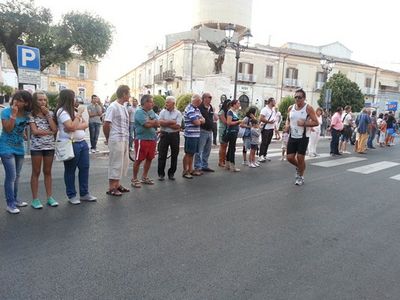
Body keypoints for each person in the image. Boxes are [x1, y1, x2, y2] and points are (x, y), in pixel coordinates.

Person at [55, 89, 97, 204]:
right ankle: (72, 195)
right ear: (69, 98)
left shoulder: (73, 111)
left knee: (84, 168)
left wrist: (73, 126)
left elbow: (85, 124)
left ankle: (84, 193)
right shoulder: (62, 112)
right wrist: (78, 117)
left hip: (82, 142)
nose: (76, 100)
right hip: (70, 143)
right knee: (70, 170)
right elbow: (72, 126)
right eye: (74, 97)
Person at [0, 90, 32, 214]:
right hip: (6, 146)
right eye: (15, 99)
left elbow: (22, 128)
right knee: (11, 176)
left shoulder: (26, 114)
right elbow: (8, 129)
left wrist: (24, 135)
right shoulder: (6, 112)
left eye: (20, 101)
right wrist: (13, 115)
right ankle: (10, 204)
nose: (16, 102)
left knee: (17, 175)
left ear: (26, 103)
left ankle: (15, 199)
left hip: (19, 147)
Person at [28, 91, 58, 209]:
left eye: (44, 100)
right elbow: (35, 131)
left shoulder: (50, 113)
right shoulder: (31, 115)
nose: (43, 102)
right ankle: (35, 199)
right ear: (35, 101)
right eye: (40, 100)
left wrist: (48, 115)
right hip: (36, 147)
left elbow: (55, 128)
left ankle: (49, 197)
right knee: (36, 172)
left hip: (49, 146)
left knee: (48, 171)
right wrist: (50, 132)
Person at [285, 88, 318, 186]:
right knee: (290, 158)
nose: (297, 99)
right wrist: (287, 125)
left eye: (299, 97)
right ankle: (300, 167)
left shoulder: (308, 108)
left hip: (303, 136)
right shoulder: (291, 107)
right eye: (295, 97)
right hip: (292, 136)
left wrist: (305, 123)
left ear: (304, 98)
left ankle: (300, 176)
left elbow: (316, 122)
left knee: (300, 157)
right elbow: (288, 119)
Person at [103, 85, 131, 196]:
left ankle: (117, 185)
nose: (129, 96)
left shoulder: (123, 107)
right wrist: (108, 138)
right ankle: (111, 187)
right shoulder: (112, 107)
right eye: (128, 93)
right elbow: (106, 124)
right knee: (115, 163)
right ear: (124, 94)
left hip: (124, 138)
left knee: (123, 163)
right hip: (116, 139)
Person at [131, 94, 159, 188]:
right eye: (151, 101)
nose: (153, 103)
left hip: (152, 138)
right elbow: (146, 124)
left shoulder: (151, 111)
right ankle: (134, 179)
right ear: (145, 102)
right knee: (138, 160)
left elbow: (158, 122)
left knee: (150, 158)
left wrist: (151, 121)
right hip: (141, 139)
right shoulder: (139, 112)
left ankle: (144, 177)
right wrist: (153, 122)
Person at [157, 96, 182, 181]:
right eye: (166, 102)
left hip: (174, 135)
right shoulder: (162, 112)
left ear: (173, 104)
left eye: (168, 102)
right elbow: (160, 123)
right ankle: (161, 174)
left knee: (174, 155)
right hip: (164, 135)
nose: (166, 104)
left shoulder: (178, 113)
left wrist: (165, 123)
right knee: (162, 155)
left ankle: (171, 173)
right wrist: (172, 122)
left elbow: (178, 126)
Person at [182, 94, 205, 179]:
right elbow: (197, 122)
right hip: (190, 134)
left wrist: (200, 120)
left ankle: (190, 170)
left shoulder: (197, 109)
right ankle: (185, 171)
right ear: (198, 101)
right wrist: (200, 120)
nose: (200, 103)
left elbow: (203, 119)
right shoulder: (190, 109)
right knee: (188, 153)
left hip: (196, 134)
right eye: (200, 101)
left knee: (192, 153)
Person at [194, 92, 215, 173]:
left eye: (210, 97)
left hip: (210, 131)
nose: (210, 99)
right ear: (204, 98)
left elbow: (212, 117)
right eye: (209, 97)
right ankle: (197, 167)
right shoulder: (200, 107)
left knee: (207, 150)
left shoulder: (211, 107)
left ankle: (204, 165)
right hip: (202, 131)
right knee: (199, 150)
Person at [225, 99, 241, 172]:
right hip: (231, 132)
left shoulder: (235, 112)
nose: (239, 105)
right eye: (238, 103)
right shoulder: (230, 112)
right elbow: (228, 122)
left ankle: (227, 164)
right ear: (234, 104)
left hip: (234, 131)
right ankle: (232, 165)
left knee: (231, 148)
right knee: (232, 148)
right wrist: (238, 121)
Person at [259, 97, 277, 162]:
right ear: (270, 102)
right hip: (266, 128)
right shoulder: (265, 109)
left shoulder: (273, 110)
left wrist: (275, 128)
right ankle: (261, 156)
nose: (275, 103)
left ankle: (264, 155)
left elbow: (274, 119)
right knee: (264, 142)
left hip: (271, 128)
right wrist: (269, 122)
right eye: (274, 101)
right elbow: (261, 118)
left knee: (268, 142)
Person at [217, 99, 230, 168]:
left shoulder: (228, 112)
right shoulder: (222, 112)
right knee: (223, 146)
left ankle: (223, 160)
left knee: (225, 146)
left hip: (227, 130)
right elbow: (225, 122)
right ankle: (220, 161)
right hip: (223, 130)